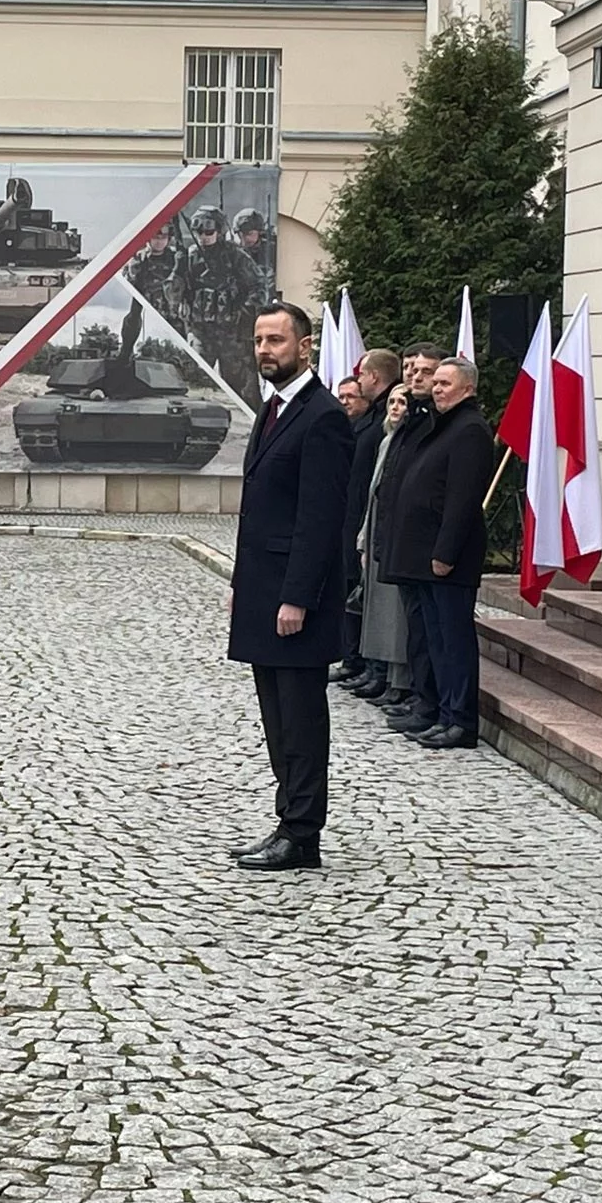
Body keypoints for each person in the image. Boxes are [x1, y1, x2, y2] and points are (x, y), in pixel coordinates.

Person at [226, 302, 354, 872]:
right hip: (264, 588)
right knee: (276, 716)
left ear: (305, 347)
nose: (264, 350)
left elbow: (321, 518)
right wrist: (243, 582)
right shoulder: (274, 409)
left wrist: (297, 596)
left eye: (276, 340)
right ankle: (287, 819)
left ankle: (303, 833)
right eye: (258, 340)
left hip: (296, 598)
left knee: (300, 718)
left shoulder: (322, 415)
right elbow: (262, 509)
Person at [381, 356, 494, 750]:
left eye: (447, 383)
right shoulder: (440, 425)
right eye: (438, 382)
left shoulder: (470, 430)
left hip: (448, 558)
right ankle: (442, 713)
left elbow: (462, 500)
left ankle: (460, 721)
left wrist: (445, 552)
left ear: (468, 389)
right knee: (435, 639)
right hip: (424, 556)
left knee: (453, 641)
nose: (438, 388)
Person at [332, 347, 399, 690]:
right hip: (354, 518)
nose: (357, 383)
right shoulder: (369, 418)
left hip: (367, 518)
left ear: (372, 377)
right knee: (356, 591)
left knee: (368, 594)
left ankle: (371, 665)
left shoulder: (379, 421)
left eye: (360, 377)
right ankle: (356, 658)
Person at [351, 386, 411, 707]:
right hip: (375, 529)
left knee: (394, 614)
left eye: (402, 402)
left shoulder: (406, 444)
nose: (396, 408)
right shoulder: (386, 440)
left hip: (394, 534)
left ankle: (397, 680)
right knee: (375, 607)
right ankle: (378, 671)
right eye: (392, 402)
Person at [183, 206, 265, 405]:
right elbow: (181, 291)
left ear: (219, 231)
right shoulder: (191, 255)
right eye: (199, 232)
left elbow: (258, 286)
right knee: (192, 379)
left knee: (238, 388)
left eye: (209, 232)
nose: (203, 237)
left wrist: (244, 312)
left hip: (231, 334)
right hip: (202, 331)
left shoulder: (235, 255)